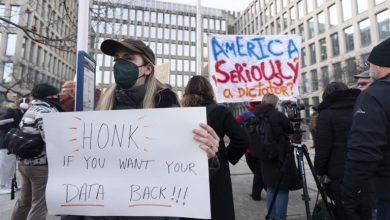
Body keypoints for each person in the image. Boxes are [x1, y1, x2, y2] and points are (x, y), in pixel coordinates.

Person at [62, 38, 220, 220]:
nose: (120, 64)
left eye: (128, 58)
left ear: (147, 68)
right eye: (117, 59)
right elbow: (80, 174)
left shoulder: (169, 112)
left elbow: (187, 177)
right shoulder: (101, 111)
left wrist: (206, 157)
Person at [181, 75, 249, 220]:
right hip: (216, 167)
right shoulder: (220, 111)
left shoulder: (180, 113)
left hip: (185, 170)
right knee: (218, 208)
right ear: (209, 90)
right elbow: (242, 139)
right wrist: (226, 154)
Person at [342, 37, 390, 220]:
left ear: (379, 65)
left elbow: (363, 151)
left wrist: (349, 194)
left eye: (370, 64)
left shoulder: (374, 96)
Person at [313, 82, 373, 219]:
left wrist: (319, 171)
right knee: (365, 208)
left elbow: (322, 148)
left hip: (339, 172)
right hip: (366, 168)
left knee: (344, 209)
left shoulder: (326, 115)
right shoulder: (364, 108)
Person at [11, 84, 63, 220]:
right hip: (40, 164)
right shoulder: (46, 112)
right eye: (55, 95)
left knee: (24, 202)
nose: (58, 98)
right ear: (48, 96)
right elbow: (50, 138)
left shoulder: (31, 109)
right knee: (39, 204)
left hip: (24, 163)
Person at [254, 93, 301, 220]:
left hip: (265, 157)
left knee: (270, 187)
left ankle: (272, 216)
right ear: (275, 103)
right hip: (281, 157)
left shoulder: (256, 115)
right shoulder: (278, 115)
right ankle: (280, 218)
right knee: (282, 189)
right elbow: (290, 131)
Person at [236, 101, 266, 201]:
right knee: (259, 172)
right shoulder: (264, 114)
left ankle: (257, 194)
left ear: (250, 105)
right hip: (262, 148)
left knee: (257, 172)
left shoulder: (245, 114)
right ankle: (262, 190)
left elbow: (235, 123)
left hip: (249, 149)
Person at [0, 98, 30, 194]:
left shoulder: (24, 114)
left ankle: (11, 185)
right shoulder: (12, 111)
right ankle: (2, 186)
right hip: (7, 142)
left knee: (12, 165)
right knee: (5, 165)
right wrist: (12, 132)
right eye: (29, 103)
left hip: (14, 144)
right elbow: (1, 122)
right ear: (23, 104)